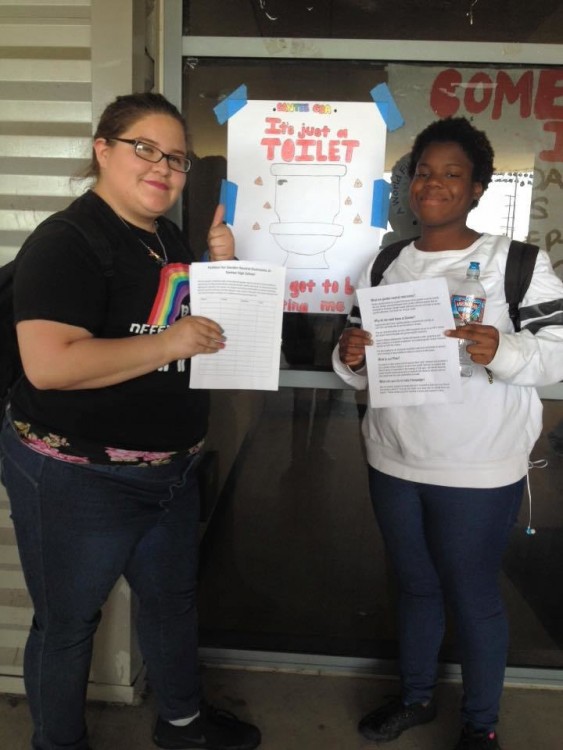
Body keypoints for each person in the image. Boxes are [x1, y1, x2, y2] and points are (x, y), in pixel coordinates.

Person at [0, 92, 261, 750]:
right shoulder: (66, 241)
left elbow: (193, 325)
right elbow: (51, 366)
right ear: (103, 150)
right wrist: (169, 344)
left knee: (170, 603)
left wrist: (222, 272)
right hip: (77, 477)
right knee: (68, 624)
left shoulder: (165, 237)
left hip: (169, 474)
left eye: (175, 157)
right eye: (145, 148)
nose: (163, 168)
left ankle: (181, 723)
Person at [333, 117, 563, 750]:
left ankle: (480, 726)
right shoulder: (383, 264)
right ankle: (414, 697)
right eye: (424, 173)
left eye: (452, 174)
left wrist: (503, 349)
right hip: (393, 455)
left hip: (477, 464)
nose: (434, 185)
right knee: (413, 585)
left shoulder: (514, 263)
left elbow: (559, 351)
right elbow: (357, 363)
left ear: (479, 187)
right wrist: (350, 355)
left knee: (471, 593)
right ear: (410, 186)